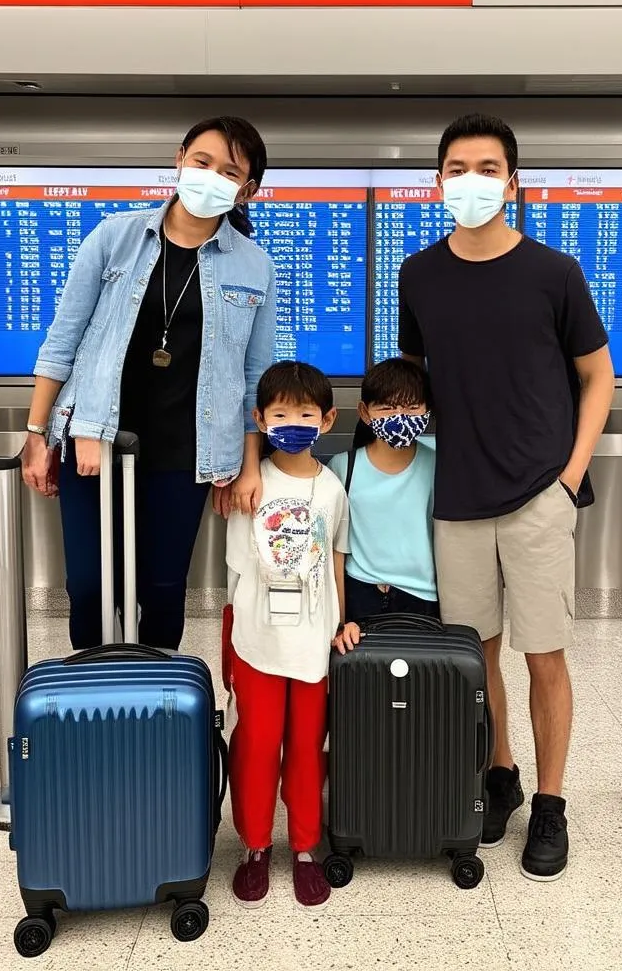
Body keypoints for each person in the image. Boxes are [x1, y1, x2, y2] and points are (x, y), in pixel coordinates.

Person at [398, 113, 615, 882]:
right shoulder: (418, 274)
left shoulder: (554, 273)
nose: (472, 181)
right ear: (438, 183)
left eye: (488, 168)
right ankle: (502, 775)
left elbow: (599, 375)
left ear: (513, 182)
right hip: (457, 496)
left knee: (545, 655)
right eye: (457, 168)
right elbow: (412, 377)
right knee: (476, 652)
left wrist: (567, 477)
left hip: (536, 496)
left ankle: (550, 804)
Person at [21, 116, 276, 651]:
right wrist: (37, 433)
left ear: (247, 190)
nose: (210, 177)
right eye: (201, 162)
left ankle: (156, 712)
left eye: (229, 172)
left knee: (162, 591)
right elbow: (62, 339)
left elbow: (256, 375)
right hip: (94, 438)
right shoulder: (115, 237)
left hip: (189, 453)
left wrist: (251, 463)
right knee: (89, 587)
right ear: (179, 159)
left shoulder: (255, 265)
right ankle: (93, 703)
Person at [224, 361, 351, 910]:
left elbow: (337, 561)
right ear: (260, 419)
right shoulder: (249, 484)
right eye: (281, 413)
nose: (294, 422)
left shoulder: (332, 488)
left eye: (306, 413)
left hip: (313, 643)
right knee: (256, 743)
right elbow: (234, 569)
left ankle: (303, 847)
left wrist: (341, 620)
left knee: (306, 746)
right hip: (256, 639)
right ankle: (255, 846)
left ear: (327, 421)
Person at [326, 358, 439, 625]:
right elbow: (335, 549)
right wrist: (339, 621)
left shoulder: (437, 466)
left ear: (427, 410)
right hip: (361, 594)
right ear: (364, 413)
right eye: (387, 408)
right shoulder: (344, 467)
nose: (400, 417)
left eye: (412, 408)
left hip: (423, 597)